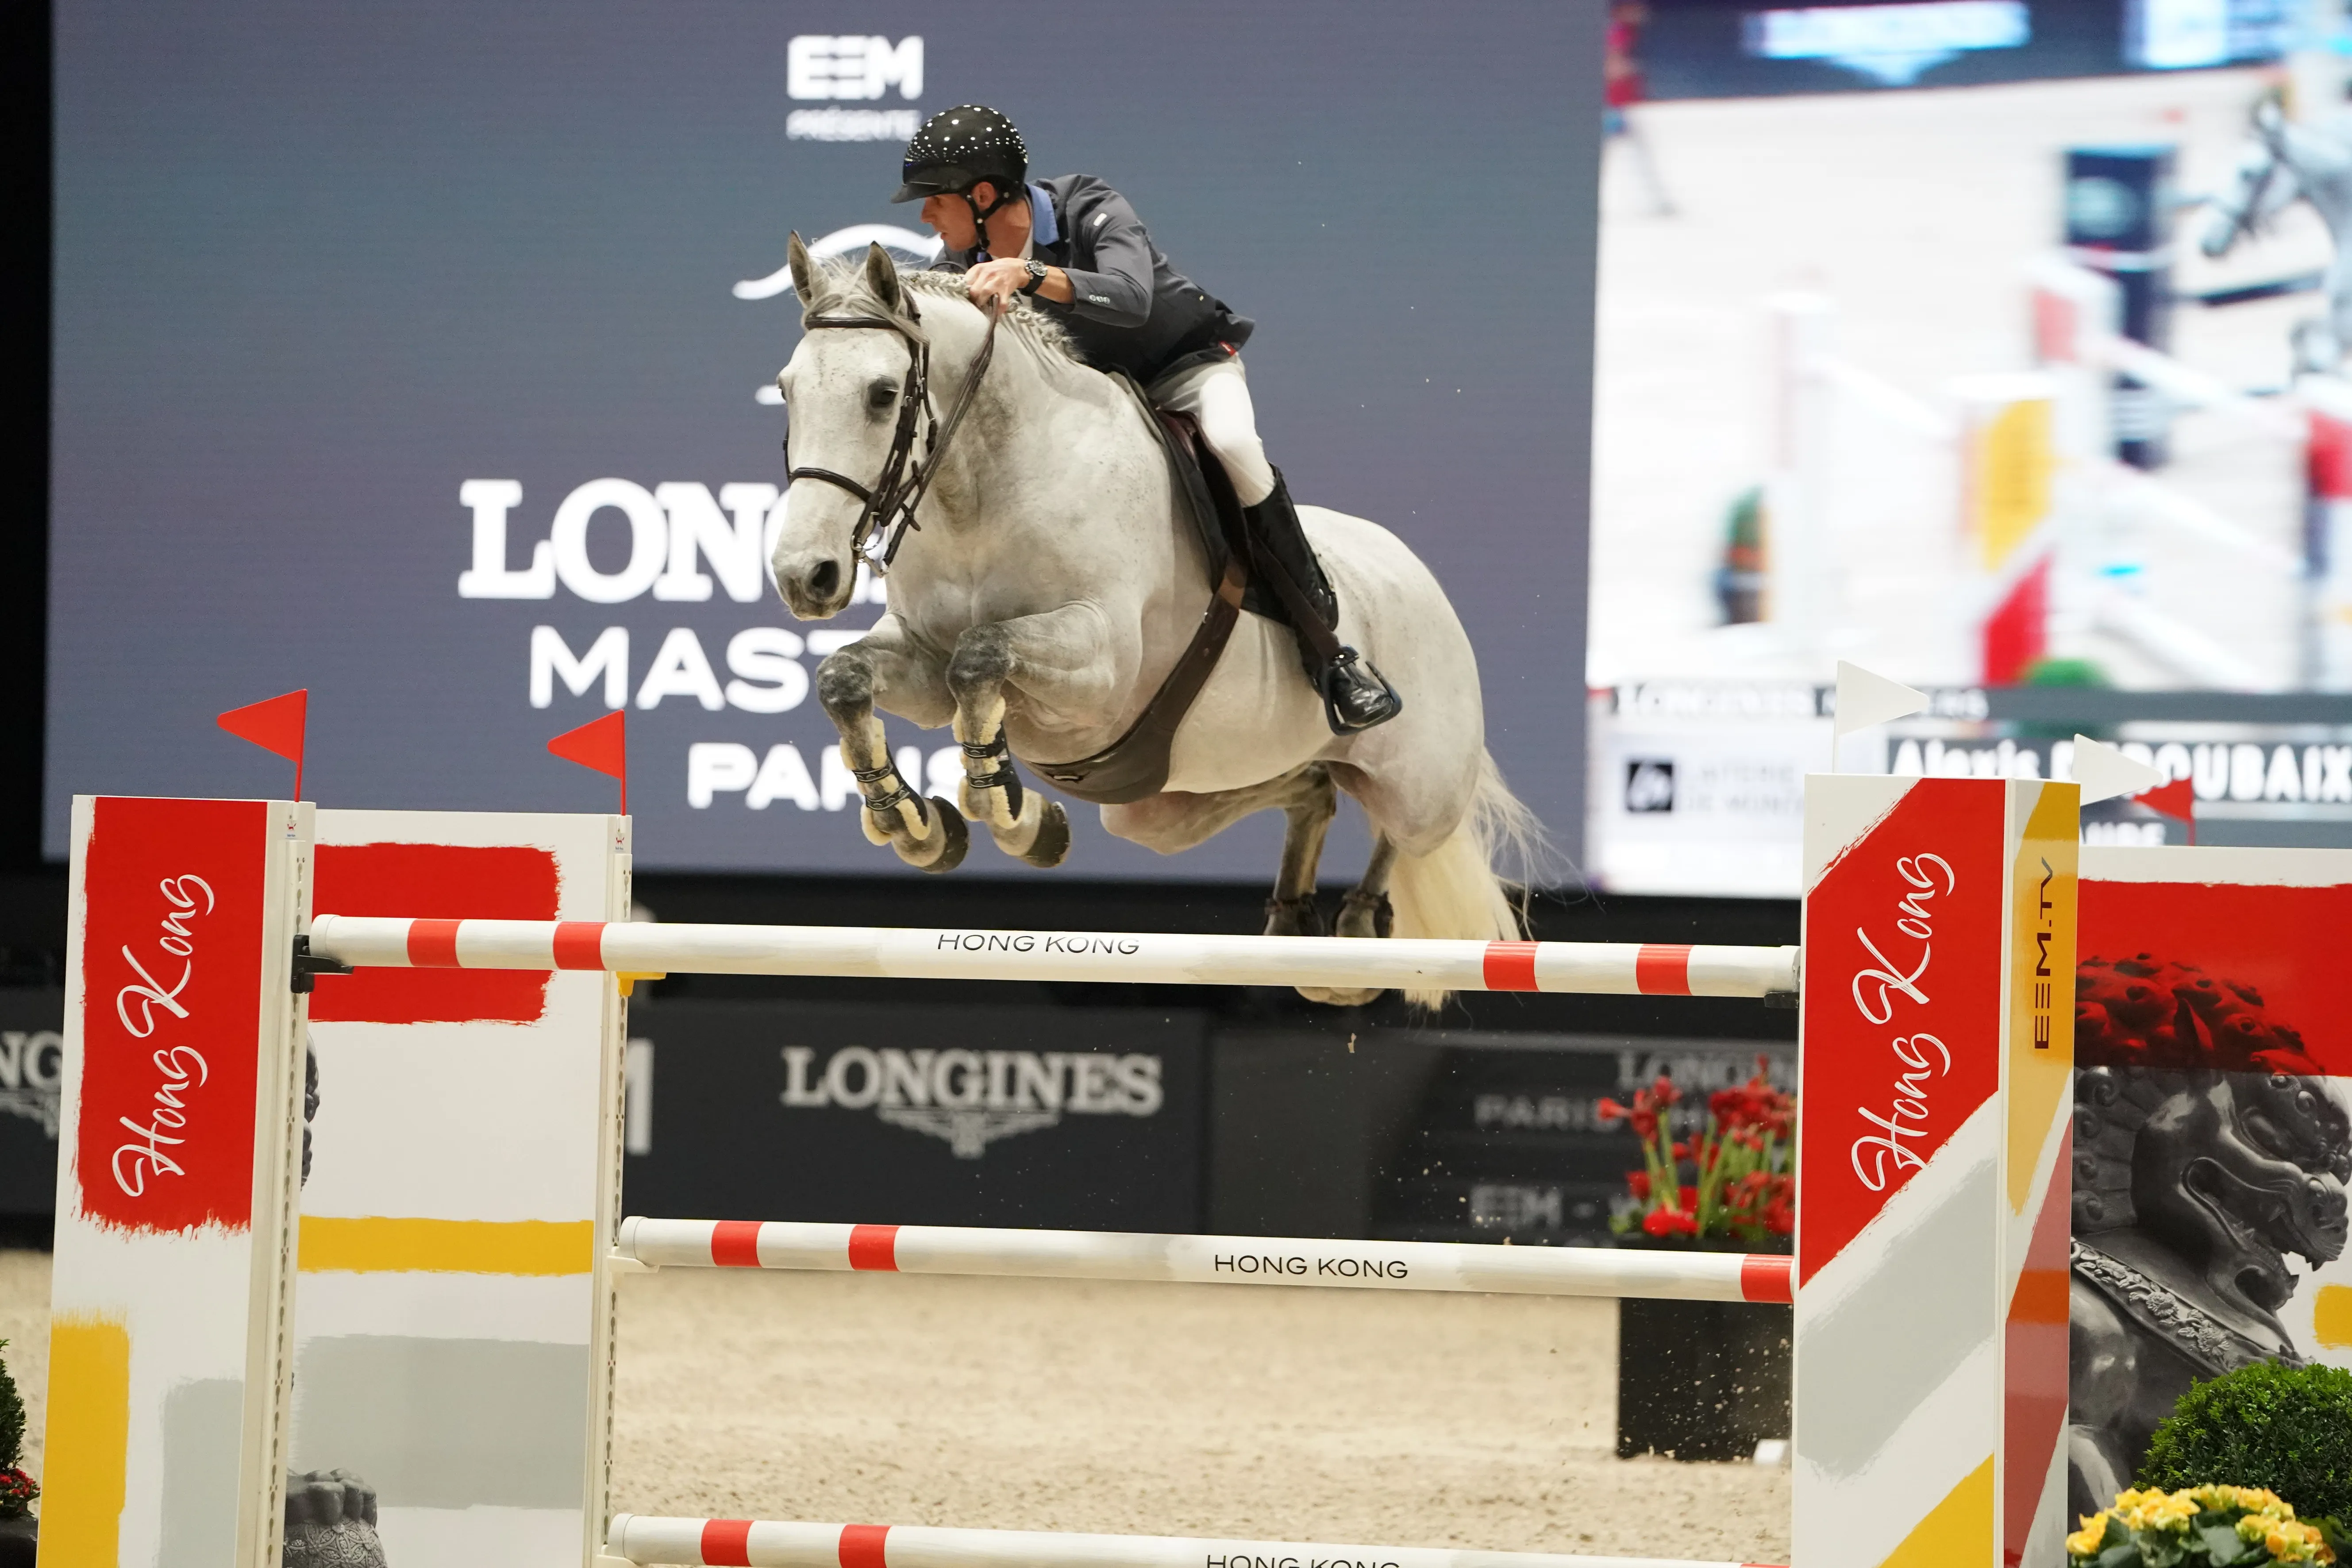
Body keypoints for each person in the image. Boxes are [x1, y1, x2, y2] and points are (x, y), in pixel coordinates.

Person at [888, 104, 1401, 734]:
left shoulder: (1086, 204)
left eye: (934, 200)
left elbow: (1132, 299)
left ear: (984, 195)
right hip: (1093, 404)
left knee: (1235, 443)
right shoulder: (956, 273)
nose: (924, 216)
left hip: (1179, 369)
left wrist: (1030, 273)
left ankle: (1330, 653)